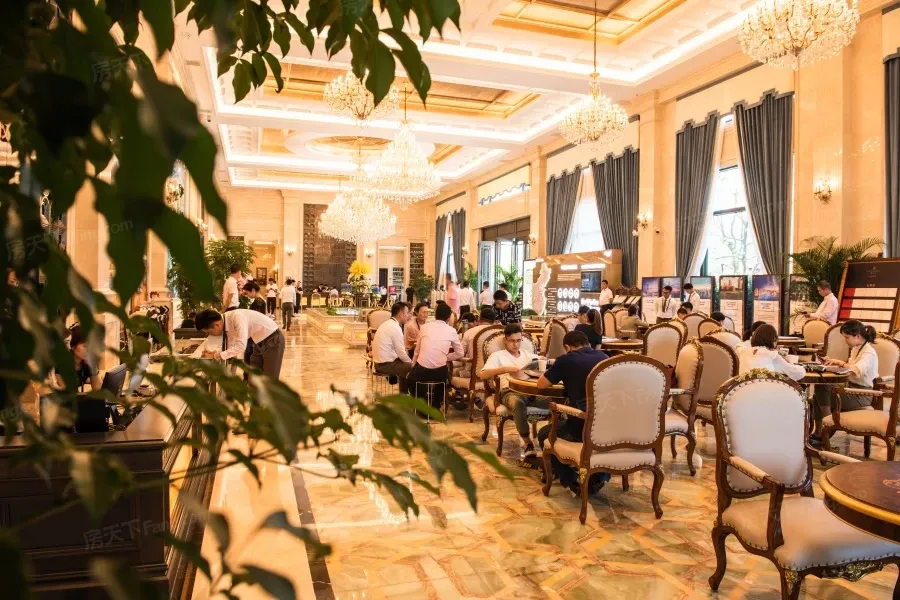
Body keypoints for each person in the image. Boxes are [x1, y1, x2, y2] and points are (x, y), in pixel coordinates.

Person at [537, 331, 610, 496]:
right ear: (588, 343)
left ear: (567, 347)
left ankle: (570, 479)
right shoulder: (604, 357)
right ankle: (599, 477)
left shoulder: (566, 359)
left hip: (580, 427)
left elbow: (541, 384)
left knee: (544, 434)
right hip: (606, 426)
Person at [479, 324, 544, 456]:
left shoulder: (527, 355)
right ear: (505, 340)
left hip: (530, 391)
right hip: (508, 391)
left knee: (556, 402)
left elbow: (543, 363)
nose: (516, 344)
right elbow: (482, 374)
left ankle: (554, 442)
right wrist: (504, 369)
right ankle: (528, 443)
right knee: (517, 403)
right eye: (512, 341)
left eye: (519, 340)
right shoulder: (498, 356)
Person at [811, 320, 880, 443]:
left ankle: (828, 426)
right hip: (851, 388)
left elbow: (856, 369)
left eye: (847, 337)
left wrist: (840, 363)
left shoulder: (868, 353)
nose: (845, 340)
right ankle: (819, 433)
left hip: (861, 394)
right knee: (819, 391)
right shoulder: (857, 348)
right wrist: (835, 362)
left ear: (858, 336)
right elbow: (849, 367)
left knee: (822, 389)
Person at [196, 308, 285, 379]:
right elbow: (231, 345)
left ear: (216, 325)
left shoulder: (236, 317)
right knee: (254, 379)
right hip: (258, 342)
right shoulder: (226, 322)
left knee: (270, 381)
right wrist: (215, 353)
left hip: (272, 340)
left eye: (209, 332)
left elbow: (241, 346)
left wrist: (218, 355)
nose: (210, 334)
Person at [409, 303, 464, 406]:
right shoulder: (452, 331)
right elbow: (460, 353)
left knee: (410, 379)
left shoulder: (424, 327)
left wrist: (413, 364)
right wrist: (446, 357)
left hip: (422, 371)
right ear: (448, 318)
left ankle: (422, 404)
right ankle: (436, 406)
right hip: (439, 374)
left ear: (435, 315)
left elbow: (417, 350)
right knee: (444, 377)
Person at [735, 324, 805, 381]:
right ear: (773, 340)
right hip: (767, 391)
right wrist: (800, 366)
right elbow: (796, 373)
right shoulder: (772, 355)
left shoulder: (743, 352)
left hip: (743, 391)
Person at [372, 302, 414, 393]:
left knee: (406, 365)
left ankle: (403, 394)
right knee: (414, 368)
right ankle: (410, 396)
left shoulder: (388, 323)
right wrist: (411, 363)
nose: (408, 316)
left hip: (379, 363)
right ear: (401, 314)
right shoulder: (395, 328)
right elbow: (401, 353)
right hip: (383, 365)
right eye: (407, 313)